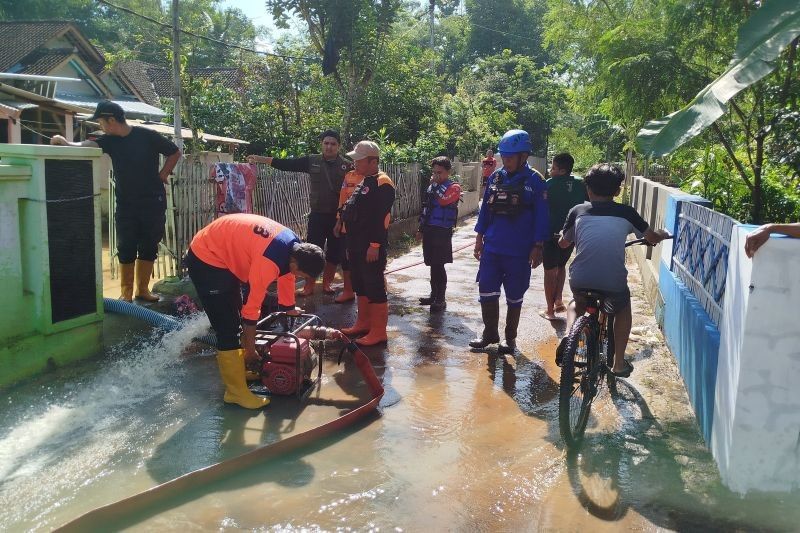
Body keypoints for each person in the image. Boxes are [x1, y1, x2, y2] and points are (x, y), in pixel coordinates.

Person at [185, 214, 324, 408]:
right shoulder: (268, 262)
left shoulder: (294, 246)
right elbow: (251, 311)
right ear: (295, 263)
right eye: (303, 275)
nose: (302, 278)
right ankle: (235, 392)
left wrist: (288, 307)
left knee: (234, 314)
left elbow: (287, 275)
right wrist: (251, 352)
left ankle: (240, 369)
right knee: (227, 328)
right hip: (207, 257)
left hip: (224, 252)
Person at [51, 100, 181, 303]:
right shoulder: (109, 140)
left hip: (152, 202)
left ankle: (142, 290)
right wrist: (67, 143)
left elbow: (174, 152)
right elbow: (88, 145)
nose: (100, 126)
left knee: (149, 245)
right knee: (126, 246)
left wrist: (163, 173)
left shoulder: (147, 135)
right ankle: (126, 294)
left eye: (101, 122)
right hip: (126, 203)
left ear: (111, 120)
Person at [557, 164, 669, 378]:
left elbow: (563, 243)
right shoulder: (626, 213)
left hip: (580, 278)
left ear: (587, 189)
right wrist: (662, 234)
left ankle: (570, 335)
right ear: (617, 191)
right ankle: (618, 363)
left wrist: (562, 237)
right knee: (622, 308)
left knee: (575, 303)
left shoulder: (577, 211)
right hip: (612, 281)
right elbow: (651, 237)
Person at [470, 129, 550, 354]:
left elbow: (542, 217)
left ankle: (510, 338)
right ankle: (489, 334)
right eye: (503, 157)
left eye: (510, 157)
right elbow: (485, 210)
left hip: (520, 250)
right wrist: (479, 239)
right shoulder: (496, 177)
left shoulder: (535, 181)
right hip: (493, 248)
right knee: (486, 289)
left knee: (515, 294)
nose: (506, 161)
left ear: (524, 156)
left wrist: (538, 246)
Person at [247, 129, 352, 297]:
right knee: (311, 251)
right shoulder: (312, 161)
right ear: (321, 144)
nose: (329, 147)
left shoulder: (347, 166)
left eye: (333, 144)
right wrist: (260, 159)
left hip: (338, 218)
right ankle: (308, 286)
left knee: (334, 253)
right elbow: (287, 164)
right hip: (317, 216)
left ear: (339, 146)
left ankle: (327, 284)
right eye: (326, 143)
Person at [339, 141, 396, 346]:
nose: (355, 163)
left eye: (359, 160)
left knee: (374, 285)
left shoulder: (383, 183)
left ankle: (379, 331)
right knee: (360, 284)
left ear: (373, 161)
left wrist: (375, 245)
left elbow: (379, 218)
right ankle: (363, 323)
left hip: (370, 245)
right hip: (355, 243)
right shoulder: (365, 180)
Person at [541, 153, 588, 321]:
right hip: (571, 234)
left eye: (553, 168)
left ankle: (549, 310)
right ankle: (558, 299)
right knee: (561, 266)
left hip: (551, 233)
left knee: (549, 271)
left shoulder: (548, 185)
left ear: (561, 170)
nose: (550, 170)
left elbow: (540, 209)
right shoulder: (581, 184)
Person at [415, 156, 462, 312]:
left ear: (448, 172)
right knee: (431, 264)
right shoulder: (432, 187)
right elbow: (426, 209)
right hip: (429, 229)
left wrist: (435, 185)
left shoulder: (454, 187)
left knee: (439, 265)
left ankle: (440, 299)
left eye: (440, 173)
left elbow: (443, 201)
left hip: (442, 231)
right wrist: (421, 229)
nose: (436, 175)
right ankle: (433, 295)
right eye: (434, 172)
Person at [331, 168, 365, 303]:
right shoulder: (348, 176)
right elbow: (343, 200)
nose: (355, 162)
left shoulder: (376, 178)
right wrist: (339, 222)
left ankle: (376, 292)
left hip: (364, 228)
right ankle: (348, 291)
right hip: (347, 226)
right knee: (346, 260)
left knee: (368, 261)